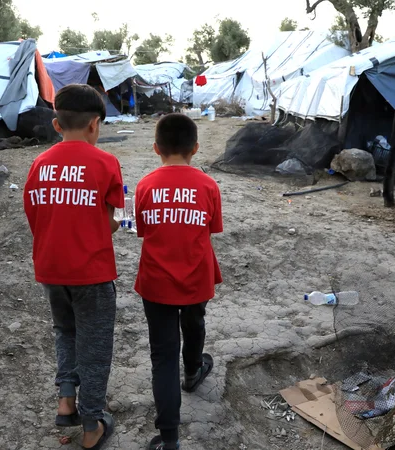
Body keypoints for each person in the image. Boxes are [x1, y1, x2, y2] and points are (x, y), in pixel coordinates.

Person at [23, 84, 123, 450]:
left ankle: (66, 398)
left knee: (65, 330)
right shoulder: (106, 163)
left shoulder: (39, 163)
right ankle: (92, 423)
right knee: (95, 346)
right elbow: (113, 220)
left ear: (56, 123)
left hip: (51, 269)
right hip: (92, 273)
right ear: (95, 125)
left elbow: (36, 217)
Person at [134, 113, 223, 450]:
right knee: (195, 319)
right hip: (196, 276)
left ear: (156, 148)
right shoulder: (207, 185)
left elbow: (143, 230)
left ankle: (169, 438)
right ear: (195, 148)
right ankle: (193, 370)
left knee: (163, 356)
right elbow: (212, 229)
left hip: (156, 281)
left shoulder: (145, 184)